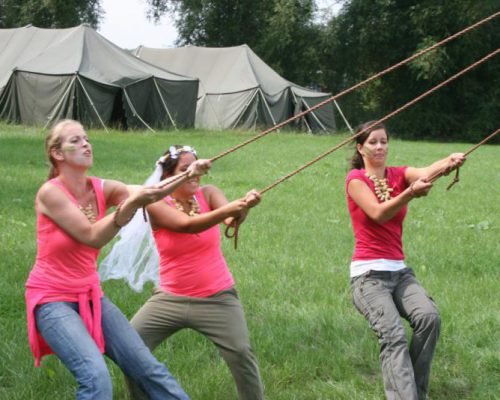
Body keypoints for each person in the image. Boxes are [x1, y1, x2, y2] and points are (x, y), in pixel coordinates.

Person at [25, 120, 211, 399]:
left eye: (86, 138)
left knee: (148, 368)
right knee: (95, 378)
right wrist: (128, 208)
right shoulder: (51, 193)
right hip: (51, 299)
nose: (85, 144)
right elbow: (92, 236)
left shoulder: (101, 187)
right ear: (57, 154)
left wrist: (187, 174)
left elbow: (151, 192)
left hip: (90, 295)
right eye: (75, 141)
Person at [101, 145, 264, 399]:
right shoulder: (154, 204)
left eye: (196, 167)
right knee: (131, 349)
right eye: (185, 169)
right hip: (170, 298)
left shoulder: (209, 194)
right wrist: (231, 208)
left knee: (242, 353)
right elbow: (185, 225)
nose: (194, 174)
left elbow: (232, 220)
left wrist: (244, 206)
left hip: (218, 297)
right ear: (168, 176)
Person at [345, 121, 465, 400]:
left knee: (429, 318)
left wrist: (449, 160)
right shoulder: (355, 180)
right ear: (360, 147)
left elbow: (425, 172)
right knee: (393, 336)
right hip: (368, 277)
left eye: (383, 141)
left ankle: (413, 392)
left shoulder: (399, 174)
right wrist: (409, 193)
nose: (379, 147)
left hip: (400, 273)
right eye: (373, 142)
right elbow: (377, 213)